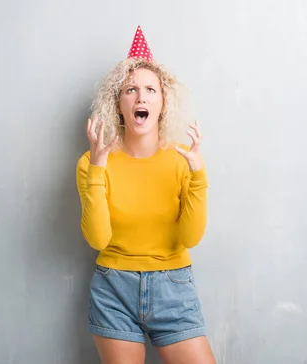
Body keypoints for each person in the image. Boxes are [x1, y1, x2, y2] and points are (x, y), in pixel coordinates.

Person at [76, 25, 215, 364]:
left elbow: (190, 237)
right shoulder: (93, 162)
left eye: (151, 90)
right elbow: (98, 238)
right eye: (130, 90)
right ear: (118, 102)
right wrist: (97, 169)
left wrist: (198, 178)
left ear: (163, 102)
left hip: (174, 288)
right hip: (114, 290)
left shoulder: (184, 159)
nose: (141, 97)